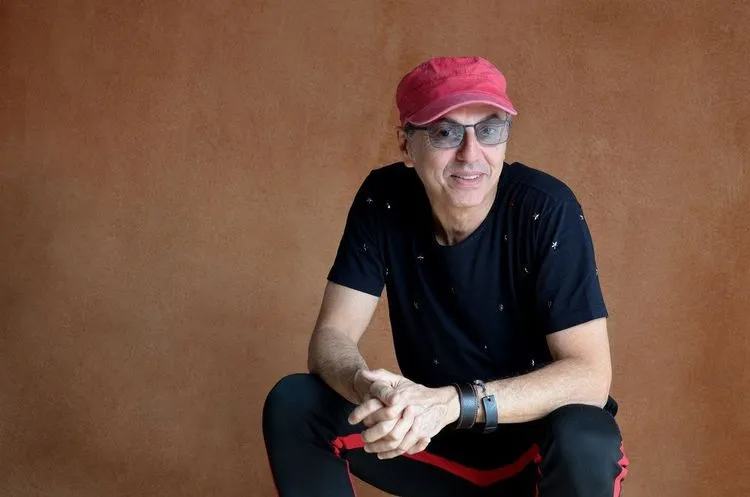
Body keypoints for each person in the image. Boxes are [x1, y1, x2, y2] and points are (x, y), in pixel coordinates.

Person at [263, 56, 629, 497]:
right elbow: (331, 337)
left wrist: (454, 403)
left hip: (536, 452)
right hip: (434, 441)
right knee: (296, 402)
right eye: (445, 132)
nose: (470, 153)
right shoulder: (384, 201)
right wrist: (367, 386)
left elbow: (590, 376)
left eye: (489, 129)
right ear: (406, 143)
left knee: (586, 437)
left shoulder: (547, 208)